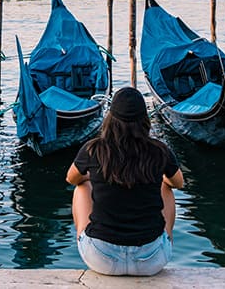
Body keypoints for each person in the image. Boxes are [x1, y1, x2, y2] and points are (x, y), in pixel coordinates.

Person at [66, 86, 184, 276]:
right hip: (151, 260)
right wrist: (153, 176)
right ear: (144, 119)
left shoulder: (93, 149)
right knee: (165, 185)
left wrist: (96, 176)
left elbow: (71, 178)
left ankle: (83, 236)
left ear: (110, 119)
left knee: (81, 186)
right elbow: (178, 183)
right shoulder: (160, 151)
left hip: (101, 258)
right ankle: (166, 238)